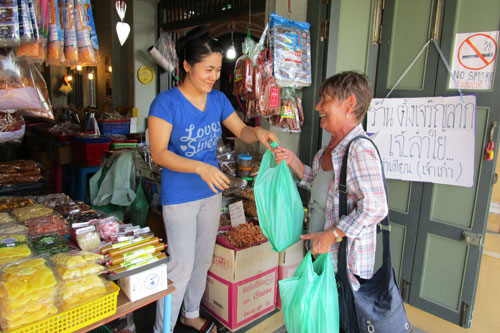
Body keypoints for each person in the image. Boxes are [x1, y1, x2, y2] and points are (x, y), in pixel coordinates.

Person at [148, 26, 278, 333]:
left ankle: (190, 313)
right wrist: (200, 167)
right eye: (208, 69)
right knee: (180, 265)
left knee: (203, 261)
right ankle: (161, 328)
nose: (213, 76)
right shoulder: (166, 103)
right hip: (180, 195)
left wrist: (257, 132)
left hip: (210, 193)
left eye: (217, 70)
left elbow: (242, 131)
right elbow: (159, 153)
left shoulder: (218, 100)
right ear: (186, 66)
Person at [273, 71, 388, 293]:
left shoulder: (359, 150)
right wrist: (293, 162)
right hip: (320, 256)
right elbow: (320, 188)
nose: (318, 107)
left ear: (349, 104)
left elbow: (376, 207)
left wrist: (331, 235)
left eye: (325, 99)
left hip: (343, 267)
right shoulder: (327, 151)